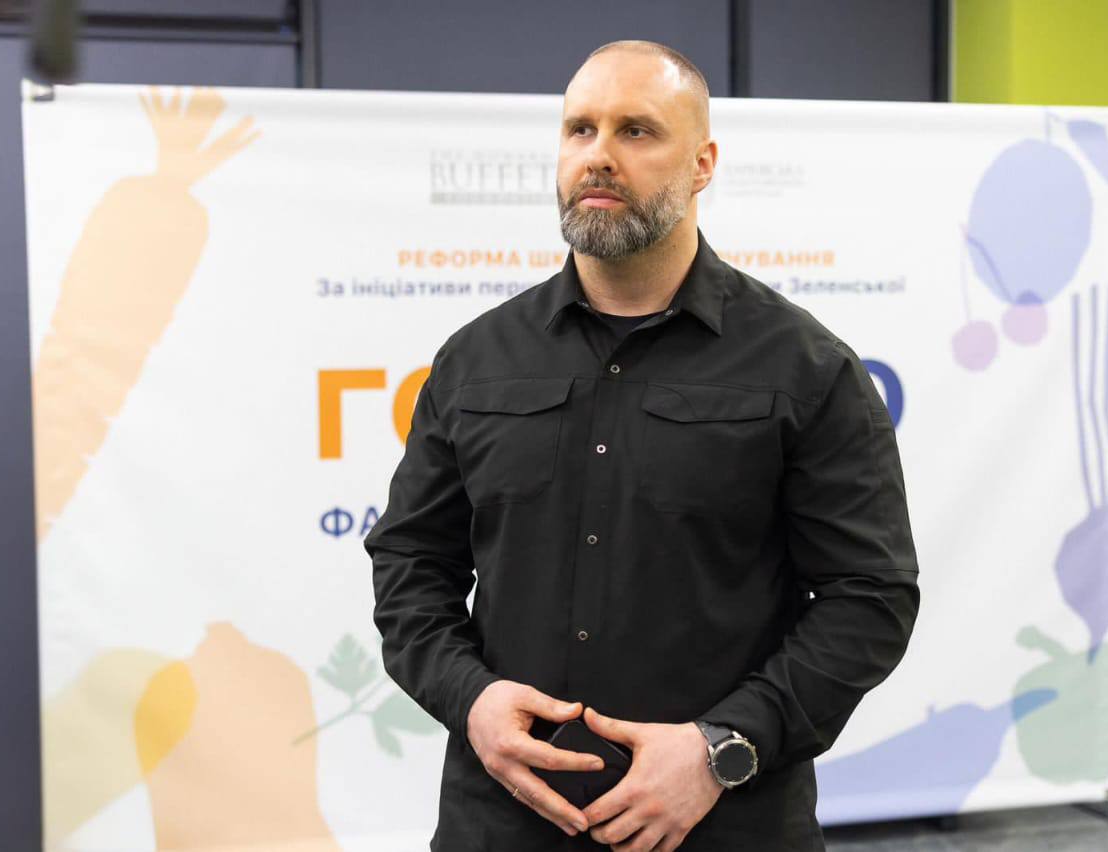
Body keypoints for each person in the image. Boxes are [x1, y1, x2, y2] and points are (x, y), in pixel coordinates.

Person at [366, 39, 920, 852]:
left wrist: (721, 748)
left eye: (636, 130)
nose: (598, 155)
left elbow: (870, 596)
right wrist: (470, 699)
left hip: (725, 828)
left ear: (702, 165)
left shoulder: (806, 368)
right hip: (503, 825)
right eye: (579, 129)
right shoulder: (475, 360)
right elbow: (412, 563)